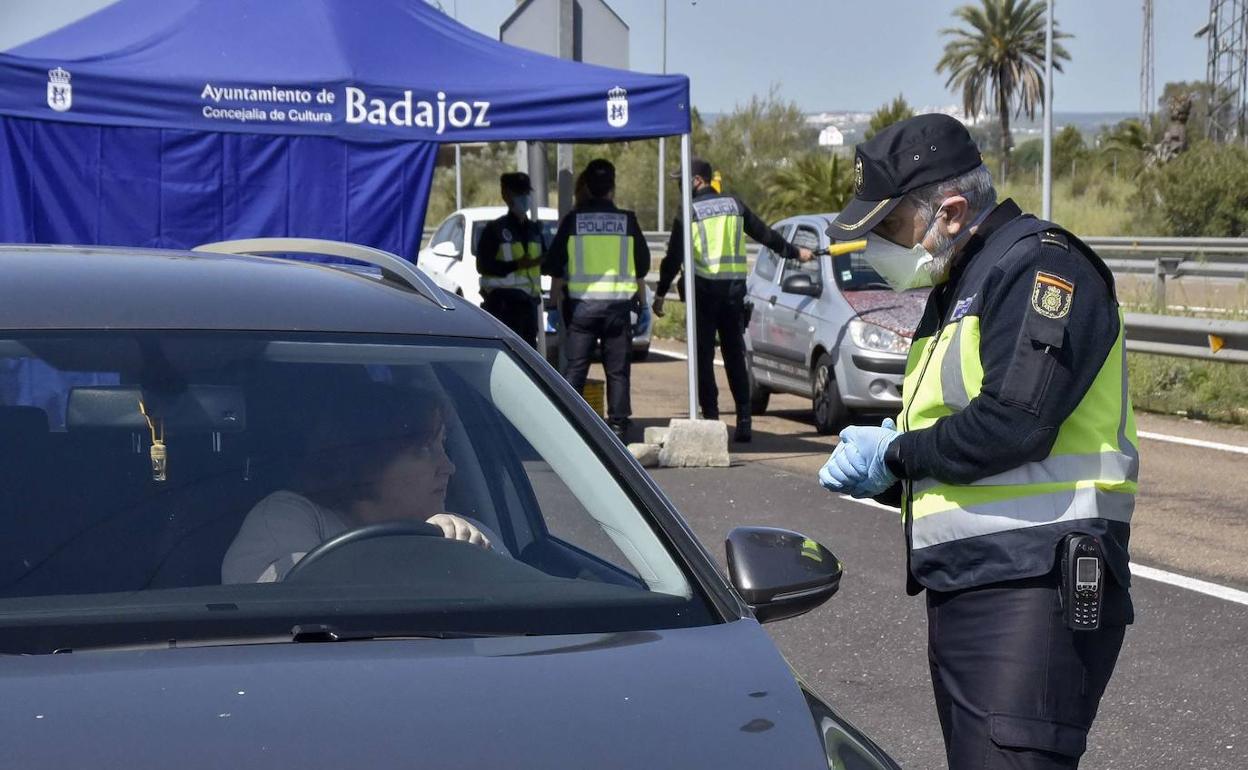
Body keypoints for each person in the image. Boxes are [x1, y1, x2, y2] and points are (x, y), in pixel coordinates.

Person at [817, 114, 1136, 769]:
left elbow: (1016, 422)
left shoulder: (1039, 267)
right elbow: (959, 426)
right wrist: (896, 462)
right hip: (976, 586)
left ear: (951, 211)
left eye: (888, 227)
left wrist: (897, 455)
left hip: (1035, 585)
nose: (877, 245)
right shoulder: (960, 283)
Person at [222, 385, 503, 584]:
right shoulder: (287, 516)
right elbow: (284, 609)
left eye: (443, 446)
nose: (449, 467)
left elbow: (515, 593)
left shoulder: (461, 531)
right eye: (423, 450)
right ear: (368, 461)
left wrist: (462, 550)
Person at [654, 158, 813, 442]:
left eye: (681, 180)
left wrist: (660, 294)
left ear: (697, 180)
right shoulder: (734, 205)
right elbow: (766, 235)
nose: (679, 186)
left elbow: (673, 257)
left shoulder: (689, 211)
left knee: (703, 359)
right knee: (734, 357)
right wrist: (794, 252)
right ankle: (743, 419)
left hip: (703, 295)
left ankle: (713, 419)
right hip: (733, 295)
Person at [544, 158, 649, 441]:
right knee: (618, 371)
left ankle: (567, 424)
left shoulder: (574, 221)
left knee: (575, 367)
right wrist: (644, 304)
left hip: (582, 310)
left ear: (587, 187)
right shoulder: (627, 221)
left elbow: (554, 266)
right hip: (617, 308)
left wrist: (553, 305)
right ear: (612, 188)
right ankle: (618, 427)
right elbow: (643, 265)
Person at [476, 172, 545, 348]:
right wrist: (516, 265)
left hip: (529, 305)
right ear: (506, 195)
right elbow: (483, 265)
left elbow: (544, 260)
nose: (524, 198)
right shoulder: (495, 229)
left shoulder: (534, 229)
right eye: (518, 193)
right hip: (503, 305)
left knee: (529, 356)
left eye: (526, 193)